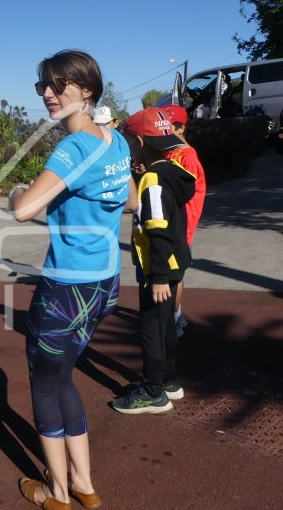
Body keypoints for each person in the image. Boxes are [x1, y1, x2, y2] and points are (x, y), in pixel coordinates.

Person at [11, 50, 136, 510]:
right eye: (43, 84)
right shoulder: (116, 142)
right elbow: (130, 201)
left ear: (87, 91)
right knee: (64, 379)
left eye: (59, 85)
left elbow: (25, 210)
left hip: (67, 288)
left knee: (45, 385)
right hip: (105, 284)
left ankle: (58, 492)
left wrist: (15, 193)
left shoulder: (73, 147)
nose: (48, 93)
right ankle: (84, 483)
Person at [112, 108, 195, 416]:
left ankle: (152, 391)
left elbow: (157, 227)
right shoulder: (172, 172)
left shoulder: (152, 180)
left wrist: (157, 275)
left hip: (159, 267)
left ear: (139, 141)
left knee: (151, 327)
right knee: (166, 326)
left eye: (131, 142)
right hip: (175, 262)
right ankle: (168, 380)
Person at [162, 105, 206, 337]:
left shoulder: (187, 155)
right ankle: (176, 314)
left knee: (174, 275)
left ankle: (175, 318)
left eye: (168, 125)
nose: (164, 129)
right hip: (171, 223)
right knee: (170, 274)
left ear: (180, 127)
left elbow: (188, 191)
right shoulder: (168, 152)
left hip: (182, 225)